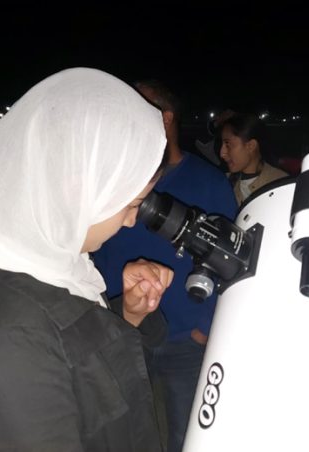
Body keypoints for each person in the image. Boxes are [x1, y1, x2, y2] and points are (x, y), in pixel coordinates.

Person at [0, 68, 174, 451]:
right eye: (128, 204)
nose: (131, 221)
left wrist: (127, 316)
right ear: (74, 188)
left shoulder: (26, 252)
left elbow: (73, 362)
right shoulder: (2, 345)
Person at [93, 79, 237, 452]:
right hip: (123, 326)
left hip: (184, 339)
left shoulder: (209, 180)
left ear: (166, 118)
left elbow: (231, 259)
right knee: (118, 430)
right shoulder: (117, 182)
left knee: (184, 436)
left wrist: (206, 327)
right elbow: (97, 251)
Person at [219, 112, 289, 205]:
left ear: (251, 146)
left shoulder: (281, 185)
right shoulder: (223, 183)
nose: (222, 153)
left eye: (228, 144)